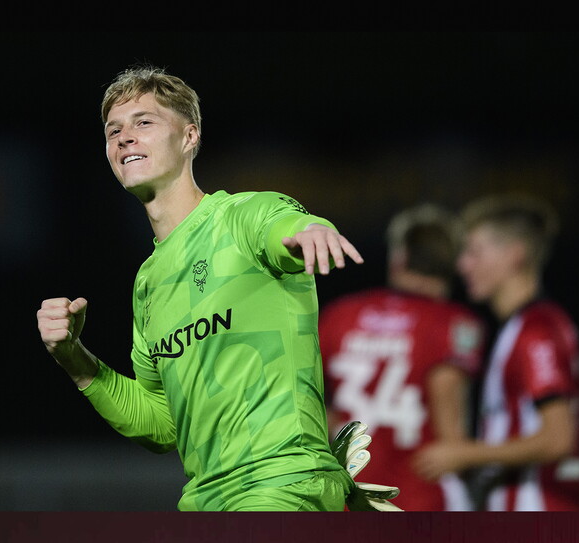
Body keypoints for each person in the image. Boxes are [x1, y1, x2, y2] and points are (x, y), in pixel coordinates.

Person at [35, 65, 398, 511]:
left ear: (189, 138)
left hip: (281, 482)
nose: (124, 137)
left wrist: (311, 228)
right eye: (114, 130)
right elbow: (161, 425)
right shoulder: (148, 283)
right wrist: (75, 360)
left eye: (144, 122)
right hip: (204, 501)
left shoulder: (241, 216)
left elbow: (282, 225)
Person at [412, 193, 579, 511]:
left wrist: (464, 453)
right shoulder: (520, 326)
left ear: (514, 255)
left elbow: (559, 438)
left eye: (474, 252)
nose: (463, 264)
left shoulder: (537, 331)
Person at [319, 203, 485, 511]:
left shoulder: (340, 315)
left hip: (347, 495)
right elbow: (451, 435)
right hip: (419, 494)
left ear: (400, 257)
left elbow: (314, 408)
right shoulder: (454, 325)